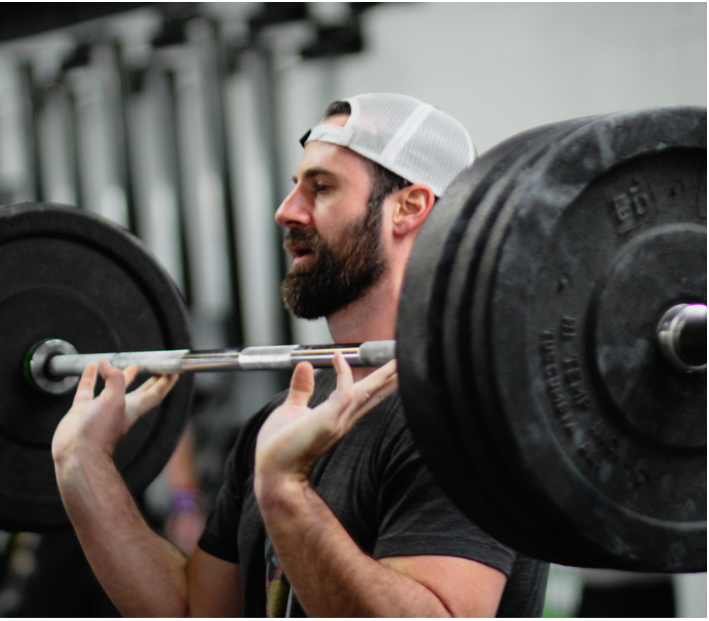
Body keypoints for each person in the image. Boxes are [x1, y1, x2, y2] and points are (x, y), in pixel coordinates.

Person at [51, 93, 549, 617]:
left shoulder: (457, 419)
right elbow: (198, 612)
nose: (287, 211)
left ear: (408, 207)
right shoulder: (278, 420)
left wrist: (286, 495)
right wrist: (85, 468)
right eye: (295, 187)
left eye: (322, 187)